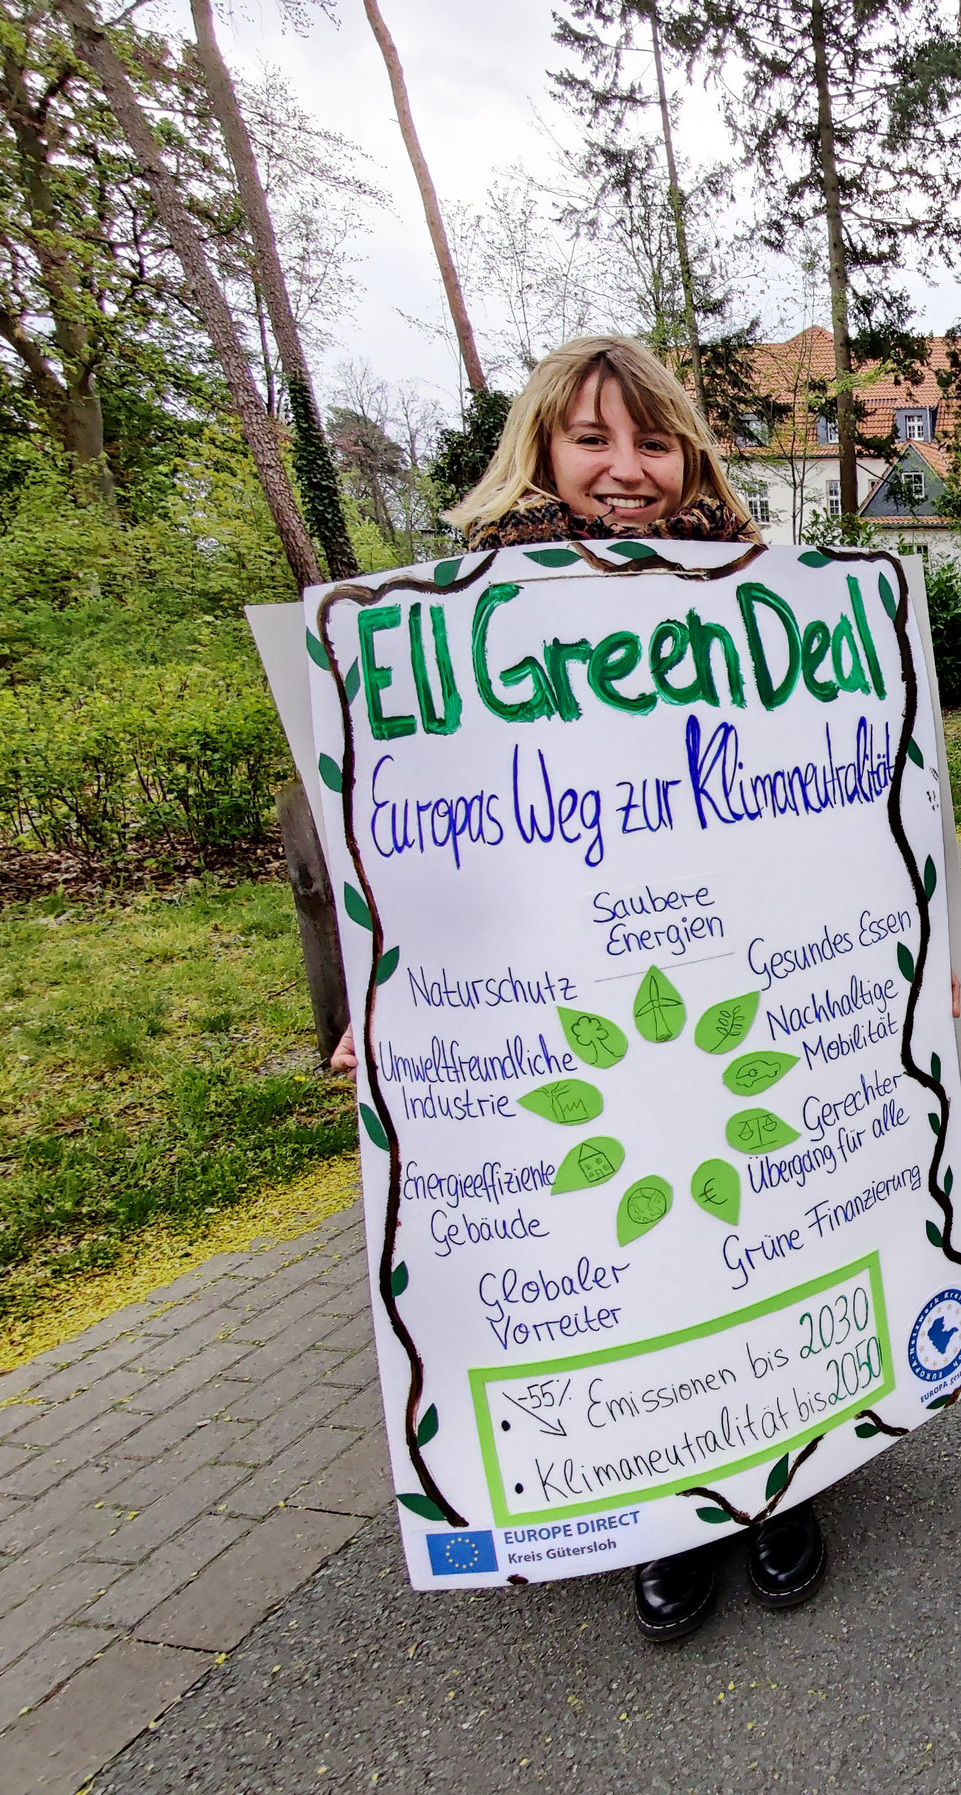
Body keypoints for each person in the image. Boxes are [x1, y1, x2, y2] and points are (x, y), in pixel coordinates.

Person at [335, 336, 834, 1645]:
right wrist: (380, 1005)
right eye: (593, 439)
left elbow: (845, 799)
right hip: (576, 1003)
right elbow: (421, 836)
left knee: (763, 1228)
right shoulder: (458, 619)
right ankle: (664, 1512)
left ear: (690, 457)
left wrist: (927, 958)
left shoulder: (764, 597)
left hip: (741, 983)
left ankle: (778, 1483)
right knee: (624, 1250)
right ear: (543, 452)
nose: (627, 468)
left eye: (654, 441)